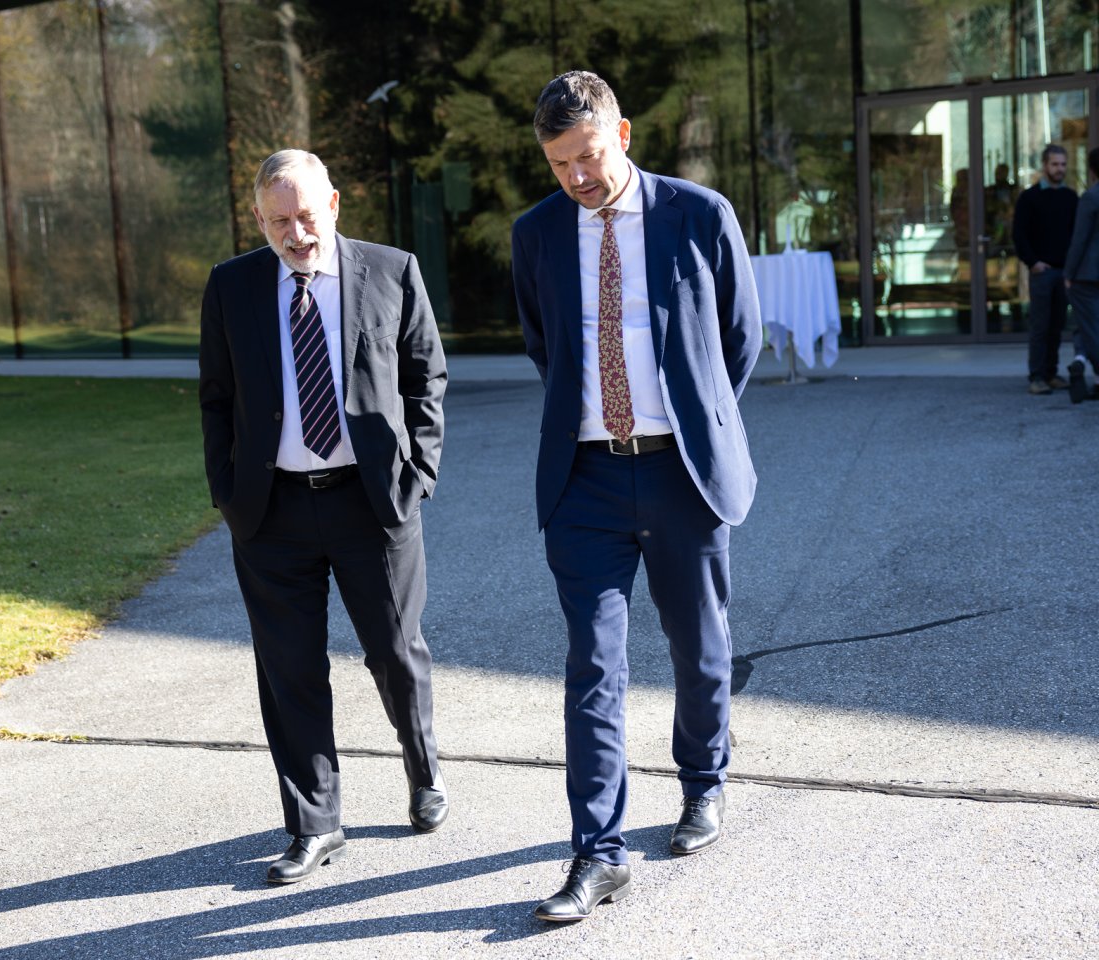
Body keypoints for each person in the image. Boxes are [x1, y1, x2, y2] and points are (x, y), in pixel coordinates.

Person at [510, 71, 761, 922]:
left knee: (699, 646)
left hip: (681, 472)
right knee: (593, 665)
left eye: (587, 155)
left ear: (621, 134)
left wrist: (688, 425)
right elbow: (545, 345)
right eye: (559, 164)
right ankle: (598, 852)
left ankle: (703, 781)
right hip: (584, 479)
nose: (578, 177)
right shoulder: (537, 234)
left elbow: (737, 340)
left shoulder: (700, 213)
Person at [198, 149, 449, 884]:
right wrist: (228, 490)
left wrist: (418, 473)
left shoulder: (391, 270)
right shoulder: (232, 286)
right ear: (258, 219)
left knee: (395, 653)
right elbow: (216, 397)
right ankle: (315, 823)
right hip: (270, 511)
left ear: (333, 204)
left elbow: (426, 375)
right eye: (278, 221)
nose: (296, 234)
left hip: (371, 503)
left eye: (306, 216)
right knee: (289, 670)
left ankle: (424, 769)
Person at [1013, 145, 1078, 395]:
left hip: (1064, 272)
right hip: (1042, 272)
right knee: (1040, 326)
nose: (1060, 169)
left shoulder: (1071, 198)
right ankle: (1037, 376)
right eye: (1055, 164)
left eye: (1063, 164)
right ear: (1044, 165)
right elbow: (1019, 235)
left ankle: (1051, 373)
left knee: (1057, 325)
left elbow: (1076, 235)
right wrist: (1033, 262)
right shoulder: (1029, 198)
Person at [1062, 146, 1099, 404]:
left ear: (1092, 170)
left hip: (1089, 274)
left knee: (1089, 327)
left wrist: (1069, 273)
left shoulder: (1091, 197)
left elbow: (1080, 240)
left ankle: (1082, 362)